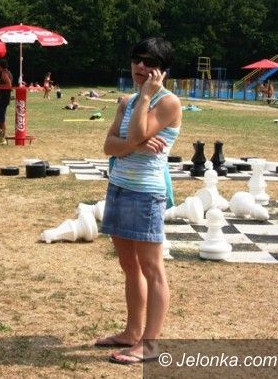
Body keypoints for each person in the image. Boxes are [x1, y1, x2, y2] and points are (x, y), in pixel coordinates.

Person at [96, 37, 182, 365]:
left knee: (152, 268)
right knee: (128, 265)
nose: (141, 66)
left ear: (163, 70)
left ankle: (149, 344)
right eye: (136, 59)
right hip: (118, 187)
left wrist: (145, 97)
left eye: (150, 62)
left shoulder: (168, 102)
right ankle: (132, 333)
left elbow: (130, 136)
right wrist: (137, 143)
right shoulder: (126, 101)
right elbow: (109, 146)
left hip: (146, 193)